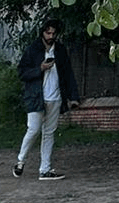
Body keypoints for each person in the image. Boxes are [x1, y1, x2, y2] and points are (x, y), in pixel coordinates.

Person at [14, 19, 81, 181]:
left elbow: (68, 75)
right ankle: (20, 160)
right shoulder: (33, 50)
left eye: (53, 33)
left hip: (56, 97)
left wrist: (73, 97)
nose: (50, 36)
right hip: (36, 97)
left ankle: (45, 169)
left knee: (49, 133)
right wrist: (40, 69)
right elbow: (22, 72)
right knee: (34, 129)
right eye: (47, 33)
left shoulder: (61, 50)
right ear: (42, 32)